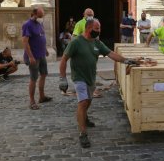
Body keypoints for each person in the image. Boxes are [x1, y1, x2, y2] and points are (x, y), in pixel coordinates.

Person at [59, 18, 139, 148]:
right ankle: (83, 133)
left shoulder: (97, 43)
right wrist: (62, 78)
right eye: (97, 29)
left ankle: (84, 117)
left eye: (99, 29)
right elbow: (63, 60)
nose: (99, 31)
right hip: (79, 78)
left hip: (91, 77)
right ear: (88, 28)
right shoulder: (76, 42)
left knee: (88, 101)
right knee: (83, 101)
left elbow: (111, 54)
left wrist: (126, 60)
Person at [22, 7, 52, 110]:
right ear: (34, 14)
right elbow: (25, 42)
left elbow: (41, 36)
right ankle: (32, 101)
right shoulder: (27, 25)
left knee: (43, 74)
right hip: (33, 56)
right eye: (40, 16)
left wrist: (46, 49)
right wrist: (30, 56)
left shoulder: (40, 24)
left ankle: (42, 97)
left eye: (42, 15)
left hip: (41, 54)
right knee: (33, 78)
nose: (41, 18)